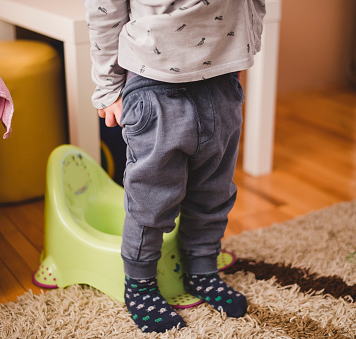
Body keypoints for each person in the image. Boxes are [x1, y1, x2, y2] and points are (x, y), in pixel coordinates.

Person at [83, 0, 266, 333]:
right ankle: (139, 284)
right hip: (154, 84)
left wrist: (250, 37)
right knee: (151, 201)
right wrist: (109, 88)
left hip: (222, 79)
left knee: (214, 191)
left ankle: (202, 268)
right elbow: (104, 10)